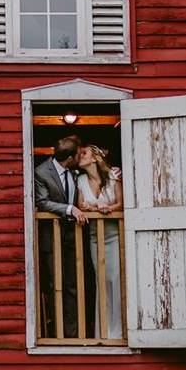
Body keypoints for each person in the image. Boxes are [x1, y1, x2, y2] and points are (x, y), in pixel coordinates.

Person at [33, 134, 88, 339]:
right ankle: (57, 333)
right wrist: (69, 209)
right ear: (71, 157)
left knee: (73, 286)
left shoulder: (74, 171)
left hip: (73, 238)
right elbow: (42, 201)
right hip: (52, 239)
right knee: (54, 286)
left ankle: (72, 333)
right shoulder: (41, 172)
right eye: (78, 155)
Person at [76, 143, 124, 340]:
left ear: (95, 157)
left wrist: (109, 209)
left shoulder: (113, 176)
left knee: (115, 280)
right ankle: (103, 331)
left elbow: (121, 202)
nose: (80, 155)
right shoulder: (80, 180)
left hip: (114, 235)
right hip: (95, 237)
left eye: (84, 153)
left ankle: (119, 331)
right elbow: (80, 205)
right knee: (101, 281)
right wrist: (92, 208)